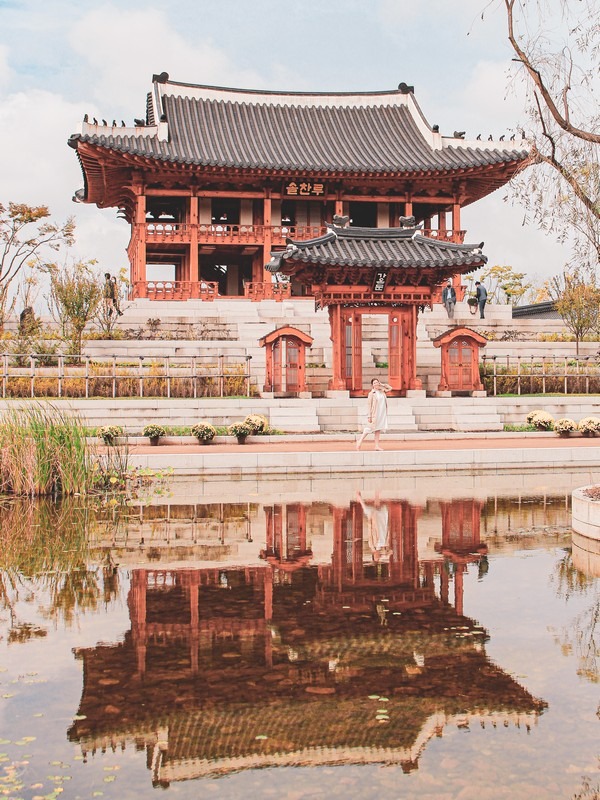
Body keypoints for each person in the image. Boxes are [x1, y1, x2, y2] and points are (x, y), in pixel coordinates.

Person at [355, 378, 391, 450]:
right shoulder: (371, 394)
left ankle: (376, 446)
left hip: (382, 413)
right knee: (369, 428)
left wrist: (382, 384)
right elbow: (369, 405)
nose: (376, 384)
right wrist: (369, 416)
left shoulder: (382, 391)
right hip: (375, 414)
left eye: (377, 382)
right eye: (374, 383)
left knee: (378, 429)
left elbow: (390, 388)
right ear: (372, 385)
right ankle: (359, 441)